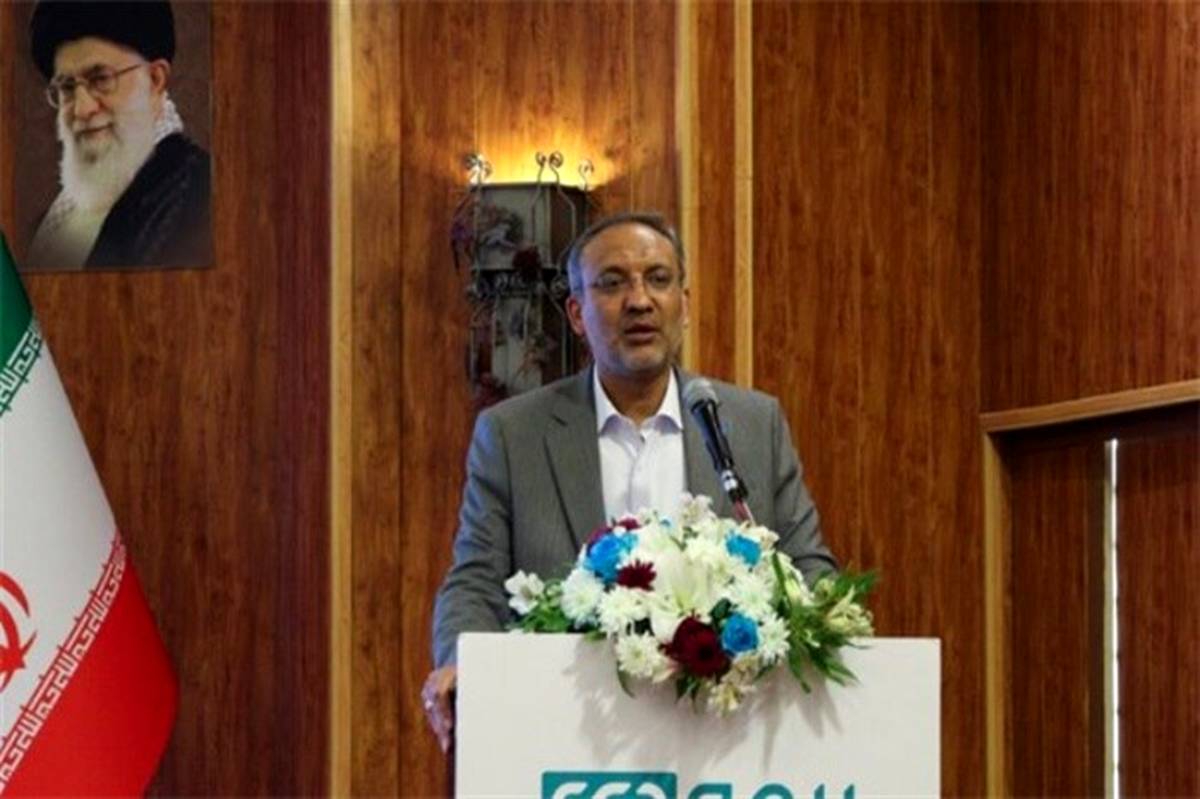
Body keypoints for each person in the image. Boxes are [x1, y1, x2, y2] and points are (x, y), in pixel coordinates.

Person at [422, 211, 837, 751]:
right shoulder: (513, 435)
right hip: (568, 735)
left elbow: (808, 568)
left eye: (658, 279)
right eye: (613, 283)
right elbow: (476, 580)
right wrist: (462, 661)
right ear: (576, 313)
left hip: (721, 737)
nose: (639, 301)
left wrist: (836, 630)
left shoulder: (753, 425)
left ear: (684, 304)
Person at [25, 0, 211, 270]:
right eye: (67, 88)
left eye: (101, 79)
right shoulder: (59, 218)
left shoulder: (197, 197)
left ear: (155, 80)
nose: (82, 109)